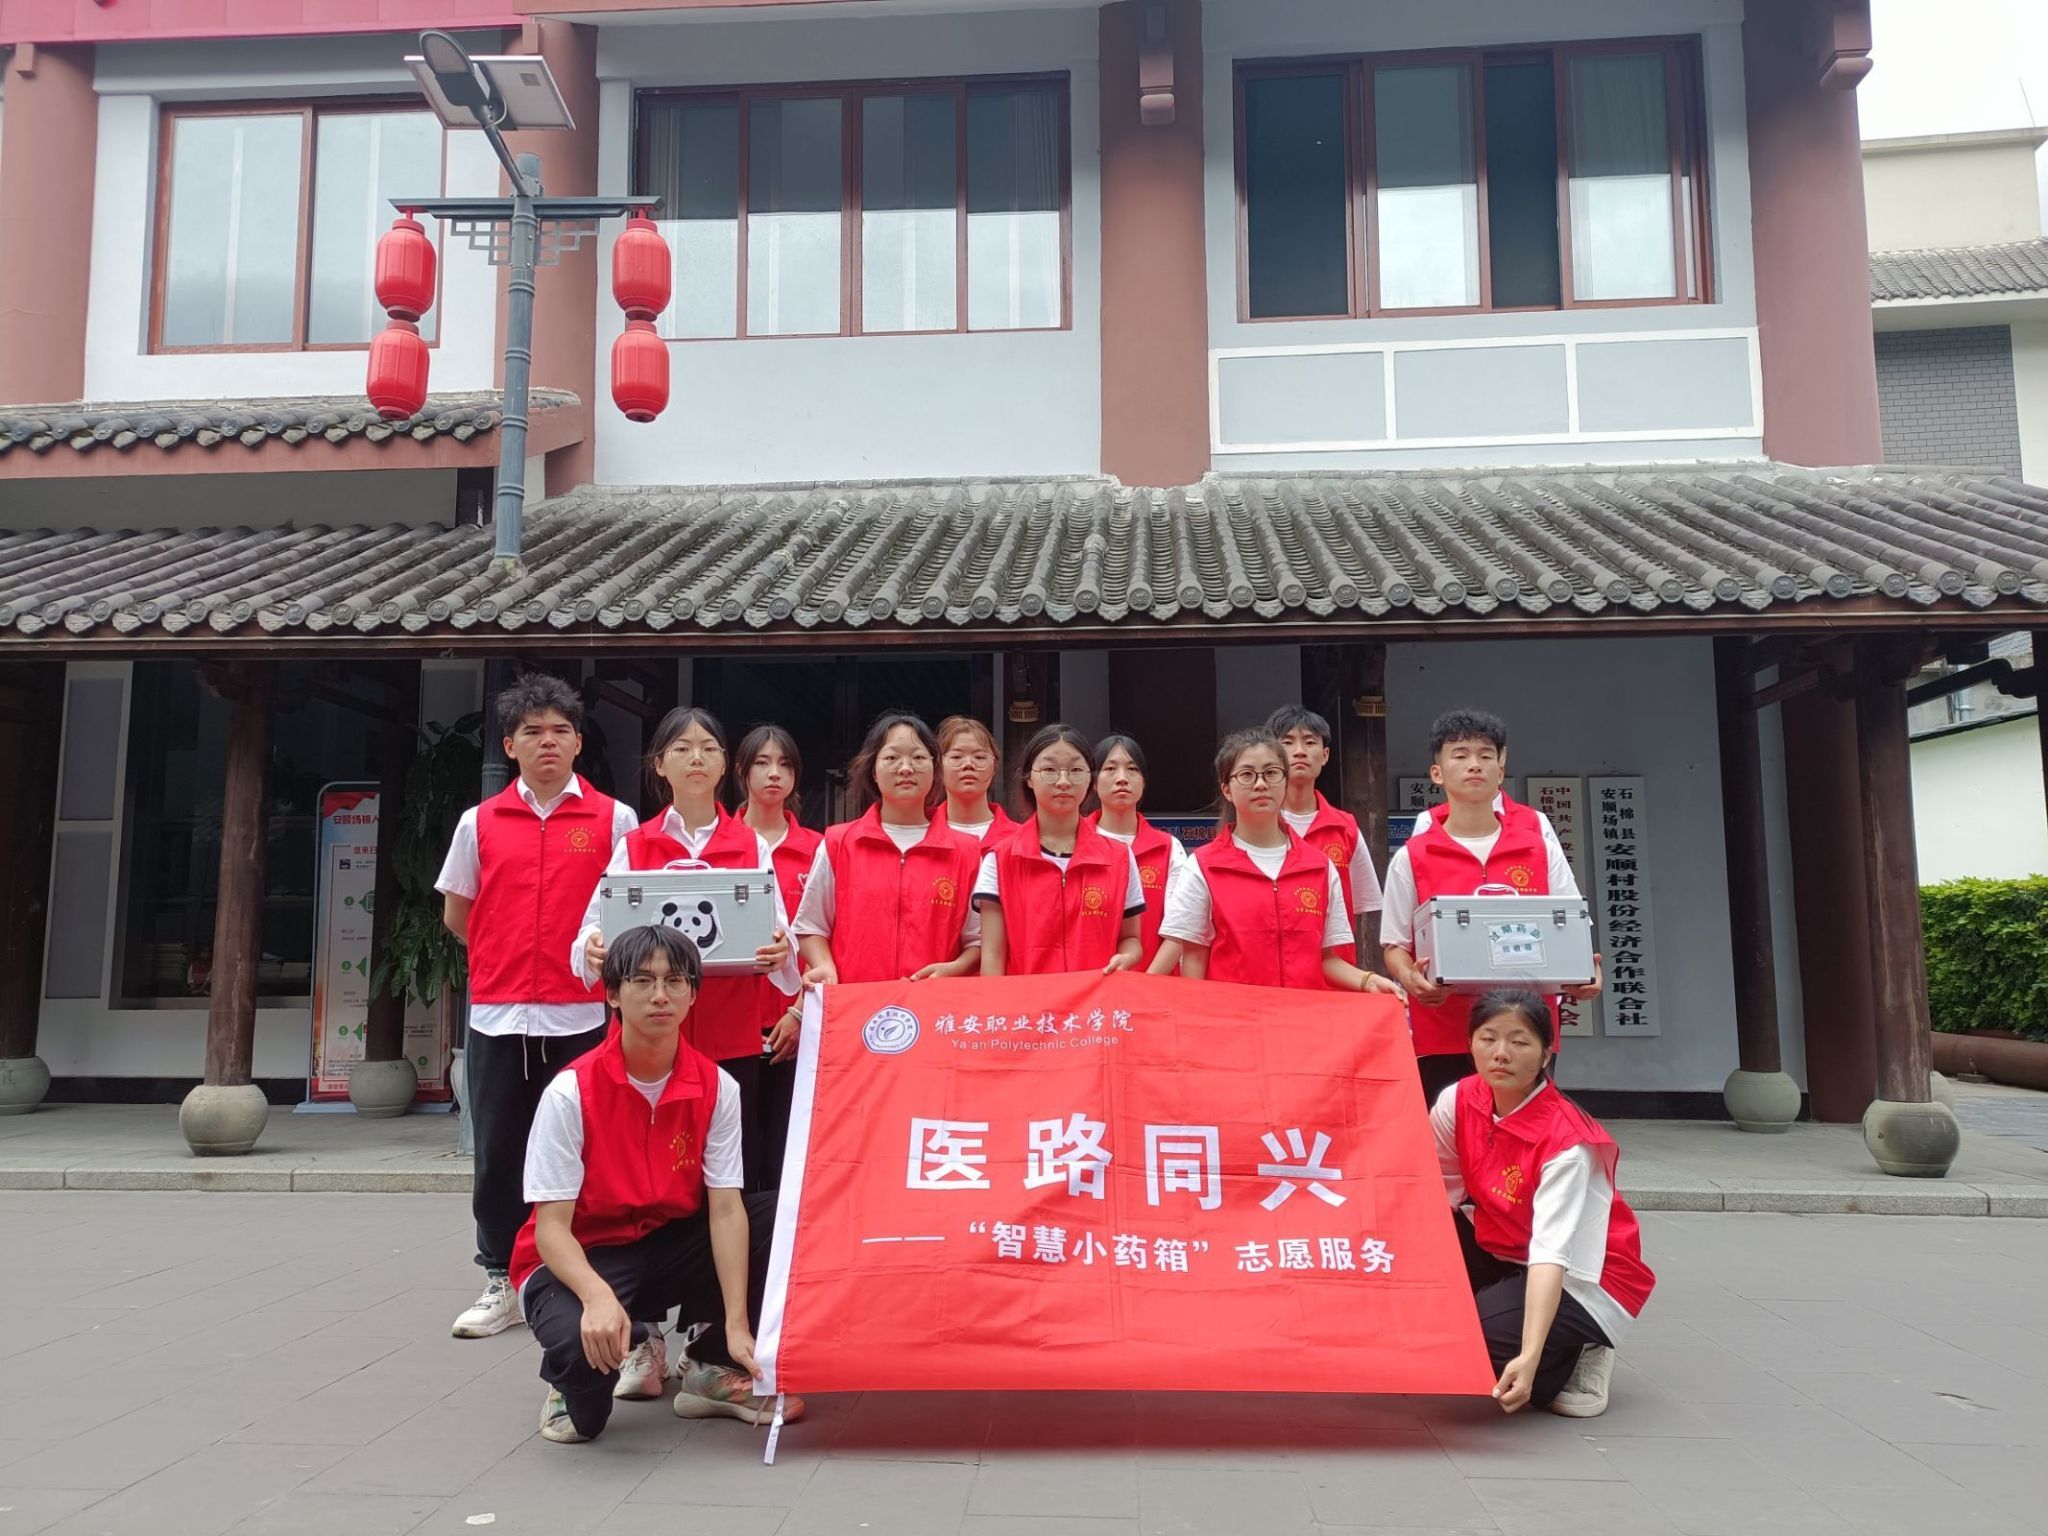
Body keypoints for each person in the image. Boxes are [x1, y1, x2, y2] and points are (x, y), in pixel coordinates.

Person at [514, 924, 805, 1443]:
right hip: (585, 1256)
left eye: (675, 981)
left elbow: (725, 1210)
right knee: (584, 1410)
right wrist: (597, 1297)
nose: (659, 995)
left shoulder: (717, 1087)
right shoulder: (570, 1091)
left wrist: (737, 1324)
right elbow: (551, 1229)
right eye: (642, 981)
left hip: (669, 1243)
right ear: (612, 993)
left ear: (693, 994)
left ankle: (711, 1366)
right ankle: (571, 1380)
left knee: (789, 1218)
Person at [435, 673, 640, 1342]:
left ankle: (583, 1274)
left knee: (582, 1152)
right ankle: (500, 1276)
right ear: (510, 745)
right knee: (498, 1152)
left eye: (559, 731)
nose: (547, 742)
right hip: (499, 1014)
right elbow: (459, 913)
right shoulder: (479, 822)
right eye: (532, 732)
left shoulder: (615, 820)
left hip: (580, 1015)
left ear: (578, 743)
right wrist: (504, 956)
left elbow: (626, 913)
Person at [570, 707, 797, 1217]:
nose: (696, 758)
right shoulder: (635, 844)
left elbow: (781, 931)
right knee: (646, 1160)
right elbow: (591, 927)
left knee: (731, 1166)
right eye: (682, 748)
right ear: (659, 764)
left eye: (708, 749)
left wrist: (781, 951)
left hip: (731, 1033)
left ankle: (726, 1265)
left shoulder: (750, 844)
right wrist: (592, 948)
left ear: (724, 766)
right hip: (647, 1037)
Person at [1434, 989, 1653, 1418]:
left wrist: (1530, 1356)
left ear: (1546, 1054)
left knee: (1475, 1342)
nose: (1501, 1053)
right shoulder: (1456, 1100)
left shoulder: (1568, 1143)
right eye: (1488, 1038)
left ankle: (1580, 1346)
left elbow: (1551, 1254)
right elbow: (1435, 1194)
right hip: (1505, 1249)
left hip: (1586, 1275)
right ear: (1470, 1044)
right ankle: (1518, 1323)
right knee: (1431, 1311)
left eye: (1519, 1042)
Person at [1380, 709, 1600, 1105]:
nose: (1474, 765)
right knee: (1445, 1132)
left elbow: (1572, 926)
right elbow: (1394, 945)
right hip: (1442, 1030)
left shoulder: (1539, 849)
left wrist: (1587, 973)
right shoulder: (1412, 857)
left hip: (1525, 1030)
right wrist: (1411, 979)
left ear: (1501, 770)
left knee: (1523, 1131)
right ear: (1437, 773)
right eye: (1460, 755)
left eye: (1485, 755)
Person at [1148, 729, 1403, 996]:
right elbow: (1194, 958)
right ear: (1227, 789)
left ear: (1285, 781)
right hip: (1234, 1017)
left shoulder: (1320, 867)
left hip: (1303, 1016)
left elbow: (1326, 960)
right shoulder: (1203, 866)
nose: (1260, 784)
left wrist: (1368, 980)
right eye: (1247, 775)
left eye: (1271, 773)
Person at [792, 712, 984, 985]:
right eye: (892, 758)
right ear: (873, 770)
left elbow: (978, 940)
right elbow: (811, 926)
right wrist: (824, 964)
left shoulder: (965, 852)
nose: (905, 768)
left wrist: (955, 968)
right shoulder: (839, 843)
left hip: (933, 1002)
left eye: (918, 757)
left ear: (935, 768)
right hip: (856, 1001)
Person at [976, 724, 1144, 976]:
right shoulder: (999, 859)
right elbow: (993, 954)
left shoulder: (1119, 857)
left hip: (1095, 997)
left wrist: (1127, 956)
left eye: (1076, 770)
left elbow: (1131, 938)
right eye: (1049, 770)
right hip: (1028, 999)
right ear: (1029, 778)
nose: (1063, 781)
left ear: (1090, 779)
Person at [735, 723, 822, 1185]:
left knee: (787, 1158)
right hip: (730, 1026)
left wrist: (800, 1009)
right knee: (733, 1155)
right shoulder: (720, 845)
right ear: (740, 771)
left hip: (797, 1025)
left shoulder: (819, 850)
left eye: (785, 764)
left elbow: (828, 938)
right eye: (762, 763)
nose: (774, 774)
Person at [1266, 705, 1384, 958]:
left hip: (1336, 969)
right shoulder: (1257, 825)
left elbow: (1359, 905)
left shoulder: (1346, 828)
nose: (1299, 751)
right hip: (1272, 965)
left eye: (1310, 742)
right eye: (1287, 742)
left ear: (1325, 755)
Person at [1082, 733, 1190, 969]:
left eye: (1132, 769)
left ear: (1144, 781)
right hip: (1089, 985)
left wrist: (1146, 983)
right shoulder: (1074, 844)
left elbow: (1180, 928)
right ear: (1093, 782)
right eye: (1110, 769)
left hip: (1156, 983)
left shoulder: (1169, 848)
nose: (1122, 778)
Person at [931, 715, 1016, 845]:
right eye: (956, 757)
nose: (968, 764)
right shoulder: (920, 835)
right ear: (938, 767)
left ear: (994, 767)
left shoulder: (1020, 839)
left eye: (979, 757)